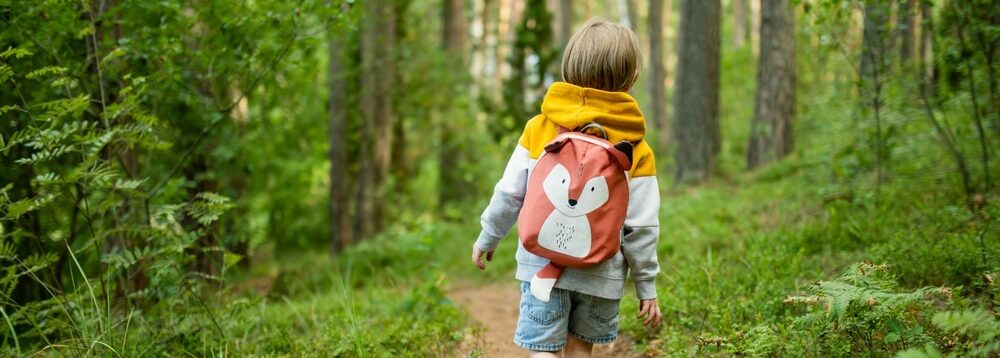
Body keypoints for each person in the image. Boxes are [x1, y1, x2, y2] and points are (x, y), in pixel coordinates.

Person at [471, 18, 662, 358]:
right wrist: (646, 285)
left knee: (543, 349)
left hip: (542, 264)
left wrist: (489, 235)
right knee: (579, 350)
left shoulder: (540, 127)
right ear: (631, 77)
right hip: (600, 273)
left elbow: (510, 193)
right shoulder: (637, 148)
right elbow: (641, 227)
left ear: (570, 66)